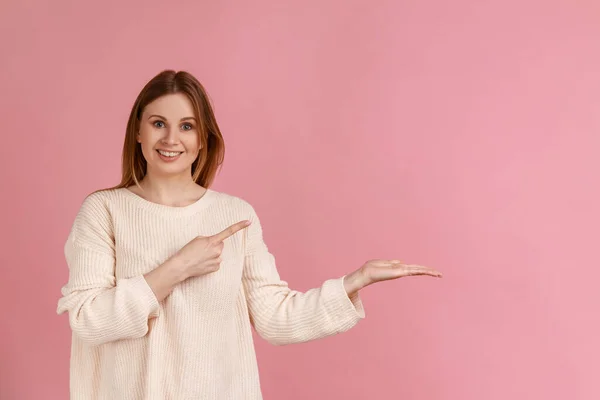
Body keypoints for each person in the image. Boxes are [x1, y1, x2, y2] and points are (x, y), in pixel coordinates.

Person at [56, 69, 442, 399]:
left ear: (203, 138)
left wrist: (354, 282)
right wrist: (178, 267)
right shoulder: (103, 211)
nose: (171, 139)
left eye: (186, 126)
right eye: (158, 123)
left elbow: (274, 317)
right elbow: (89, 320)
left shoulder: (235, 215)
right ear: (138, 132)